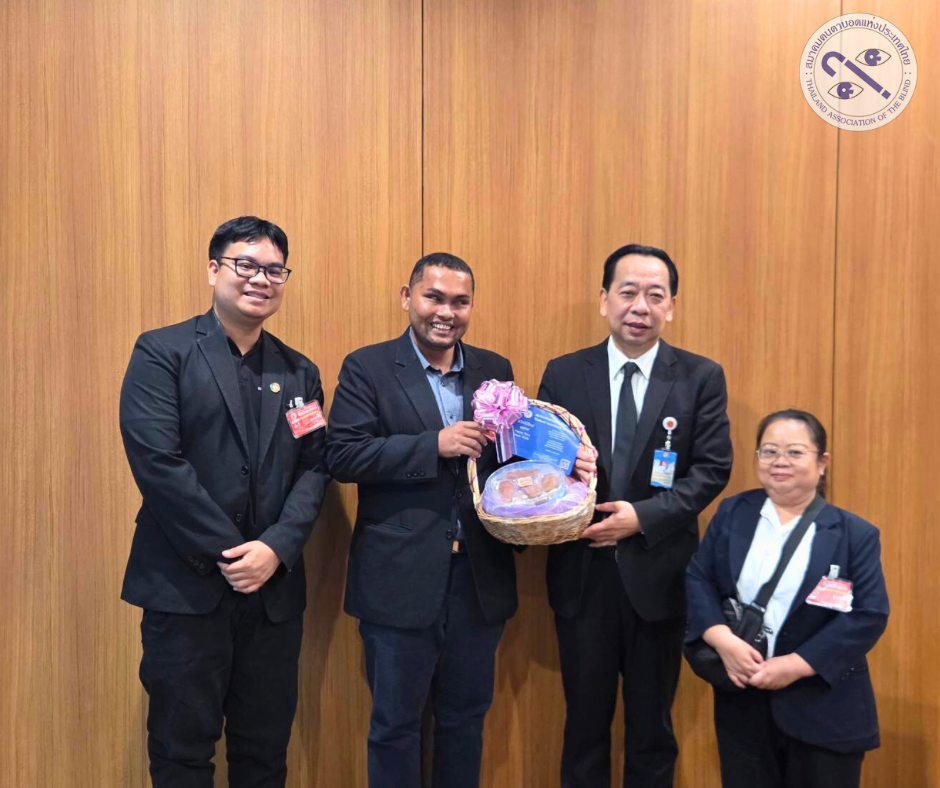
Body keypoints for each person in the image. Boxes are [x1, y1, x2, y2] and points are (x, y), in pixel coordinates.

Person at [119, 216, 330, 786]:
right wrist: (235, 553)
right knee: (181, 753)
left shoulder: (300, 372)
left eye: (275, 270)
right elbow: (158, 464)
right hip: (186, 588)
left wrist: (275, 549)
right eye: (246, 265)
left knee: (264, 754)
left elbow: (315, 466)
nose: (261, 279)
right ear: (214, 270)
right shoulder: (162, 352)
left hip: (272, 596)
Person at [537, 243, 733, 787]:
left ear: (672, 306)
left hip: (659, 576)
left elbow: (712, 469)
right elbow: (538, 465)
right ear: (604, 300)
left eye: (655, 295)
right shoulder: (564, 373)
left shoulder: (699, 377)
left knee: (652, 731)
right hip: (582, 575)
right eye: (627, 292)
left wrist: (642, 517)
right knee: (583, 727)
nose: (640, 306)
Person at [324, 253, 518, 788]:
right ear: (407, 297)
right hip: (398, 579)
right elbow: (342, 455)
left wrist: (565, 464)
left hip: (478, 579)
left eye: (460, 302)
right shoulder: (367, 367)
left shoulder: (494, 369)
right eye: (434, 297)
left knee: (466, 720)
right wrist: (433, 444)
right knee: (394, 726)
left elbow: (511, 458)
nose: (446, 312)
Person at [685, 409, 889, 788]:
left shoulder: (854, 534)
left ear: (822, 462)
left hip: (822, 706)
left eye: (795, 452)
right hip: (742, 699)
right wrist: (722, 639)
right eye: (769, 451)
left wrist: (796, 665)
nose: (780, 461)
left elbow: (868, 614)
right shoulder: (733, 512)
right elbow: (699, 578)